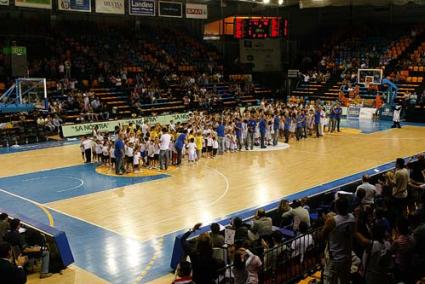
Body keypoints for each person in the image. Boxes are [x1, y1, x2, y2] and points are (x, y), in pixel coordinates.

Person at [321, 196, 356, 284]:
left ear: (336, 207)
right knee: (345, 280)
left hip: (335, 257)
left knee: (330, 280)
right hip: (347, 255)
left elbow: (321, 236)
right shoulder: (352, 218)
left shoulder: (332, 221)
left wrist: (326, 222)